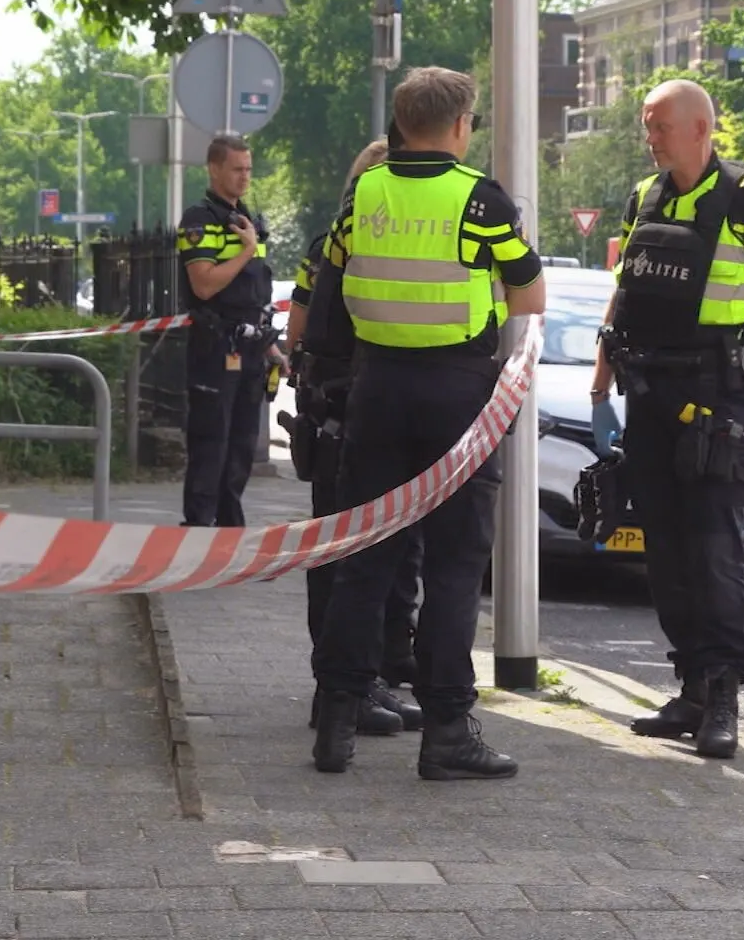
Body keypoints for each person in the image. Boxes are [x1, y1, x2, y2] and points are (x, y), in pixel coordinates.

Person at [303, 66, 546, 780]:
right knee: (453, 567)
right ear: (461, 126)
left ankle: (336, 720)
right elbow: (529, 290)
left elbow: (334, 280)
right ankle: (446, 730)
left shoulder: (362, 194)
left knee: (364, 558)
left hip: (376, 391)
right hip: (459, 400)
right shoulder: (480, 201)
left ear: (402, 124)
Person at [589, 79, 744, 760]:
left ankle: (722, 695)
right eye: (646, 125)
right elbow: (624, 290)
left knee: (713, 545)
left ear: (699, 129)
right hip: (649, 392)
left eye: (658, 125)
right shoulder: (645, 197)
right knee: (663, 546)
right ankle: (690, 687)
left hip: (718, 396)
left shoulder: (743, 196)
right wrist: (602, 377)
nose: (648, 137)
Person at [283, 137, 424, 738]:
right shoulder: (369, 246)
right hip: (360, 417)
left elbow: (296, 333)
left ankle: (365, 676)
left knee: (350, 552)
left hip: (337, 416)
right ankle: (351, 683)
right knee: (361, 555)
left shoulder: (324, 248)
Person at [178, 133, 280, 528]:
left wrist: (272, 346)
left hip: (251, 346)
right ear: (214, 168)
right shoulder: (199, 221)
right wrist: (246, 251)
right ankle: (199, 527)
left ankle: (230, 526)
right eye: (236, 169)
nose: (244, 177)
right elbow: (204, 284)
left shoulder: (248, 221)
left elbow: (257, 293)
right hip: (215, 344)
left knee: (241, 445)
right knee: (211, 442)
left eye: (248, 169)